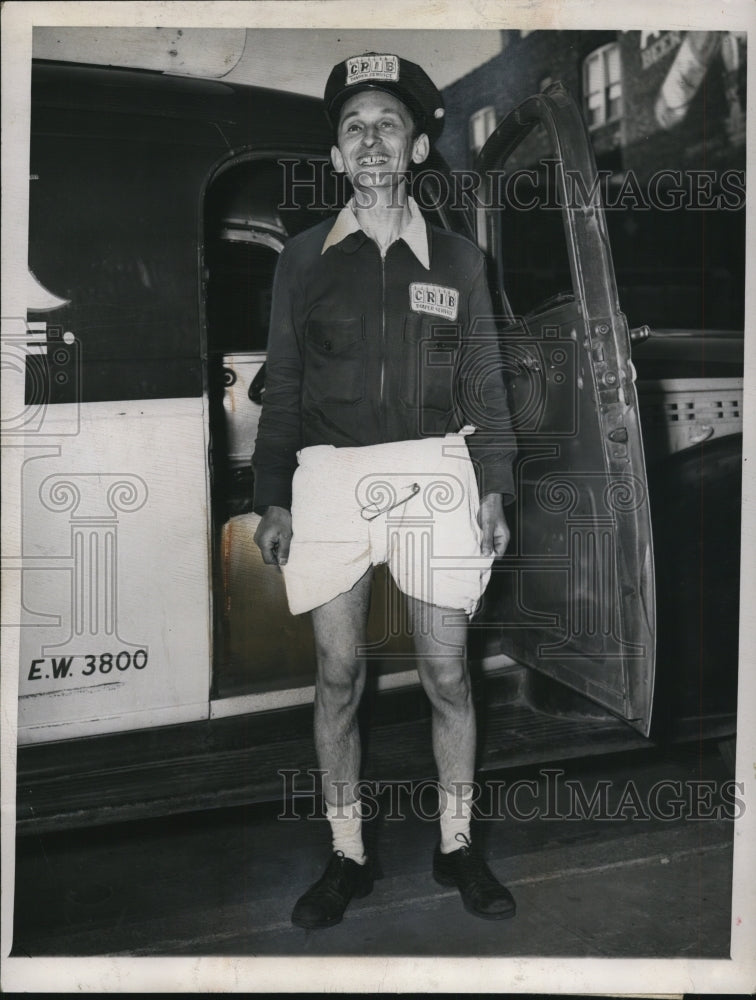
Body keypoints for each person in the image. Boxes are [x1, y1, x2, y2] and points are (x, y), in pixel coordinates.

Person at [253, 52, 517, 929]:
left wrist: (494, 482)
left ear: (417, 149)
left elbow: (484, 379)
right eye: (354, 127)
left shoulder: (458, 258)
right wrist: (274, 494)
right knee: (337, 676)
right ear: (337, 155)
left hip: (435, 471)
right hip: (329, 476)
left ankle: (456, 845)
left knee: (447, 670)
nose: (371, 140)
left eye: (388, 125)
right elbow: (283, 384)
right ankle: (347, 854)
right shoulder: (300, 260)